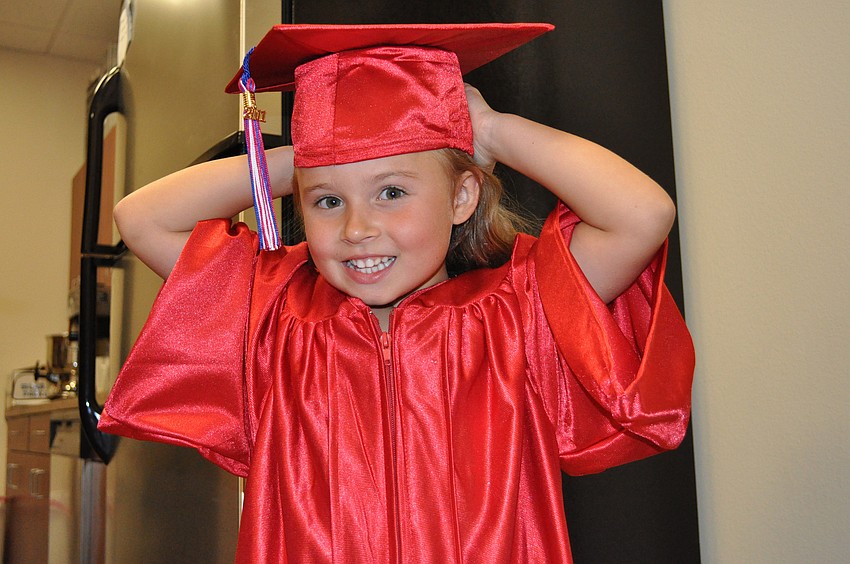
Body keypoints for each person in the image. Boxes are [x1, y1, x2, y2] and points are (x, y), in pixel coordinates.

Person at [99, 23, 694, 563]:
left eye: (391, 192)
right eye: (328, 201)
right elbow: (142, 217)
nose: (357, 228)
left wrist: (488, 130)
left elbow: (642, 213)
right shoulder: (275, 318)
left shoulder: (518, 313)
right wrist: (300, 159)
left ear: (462, 198)